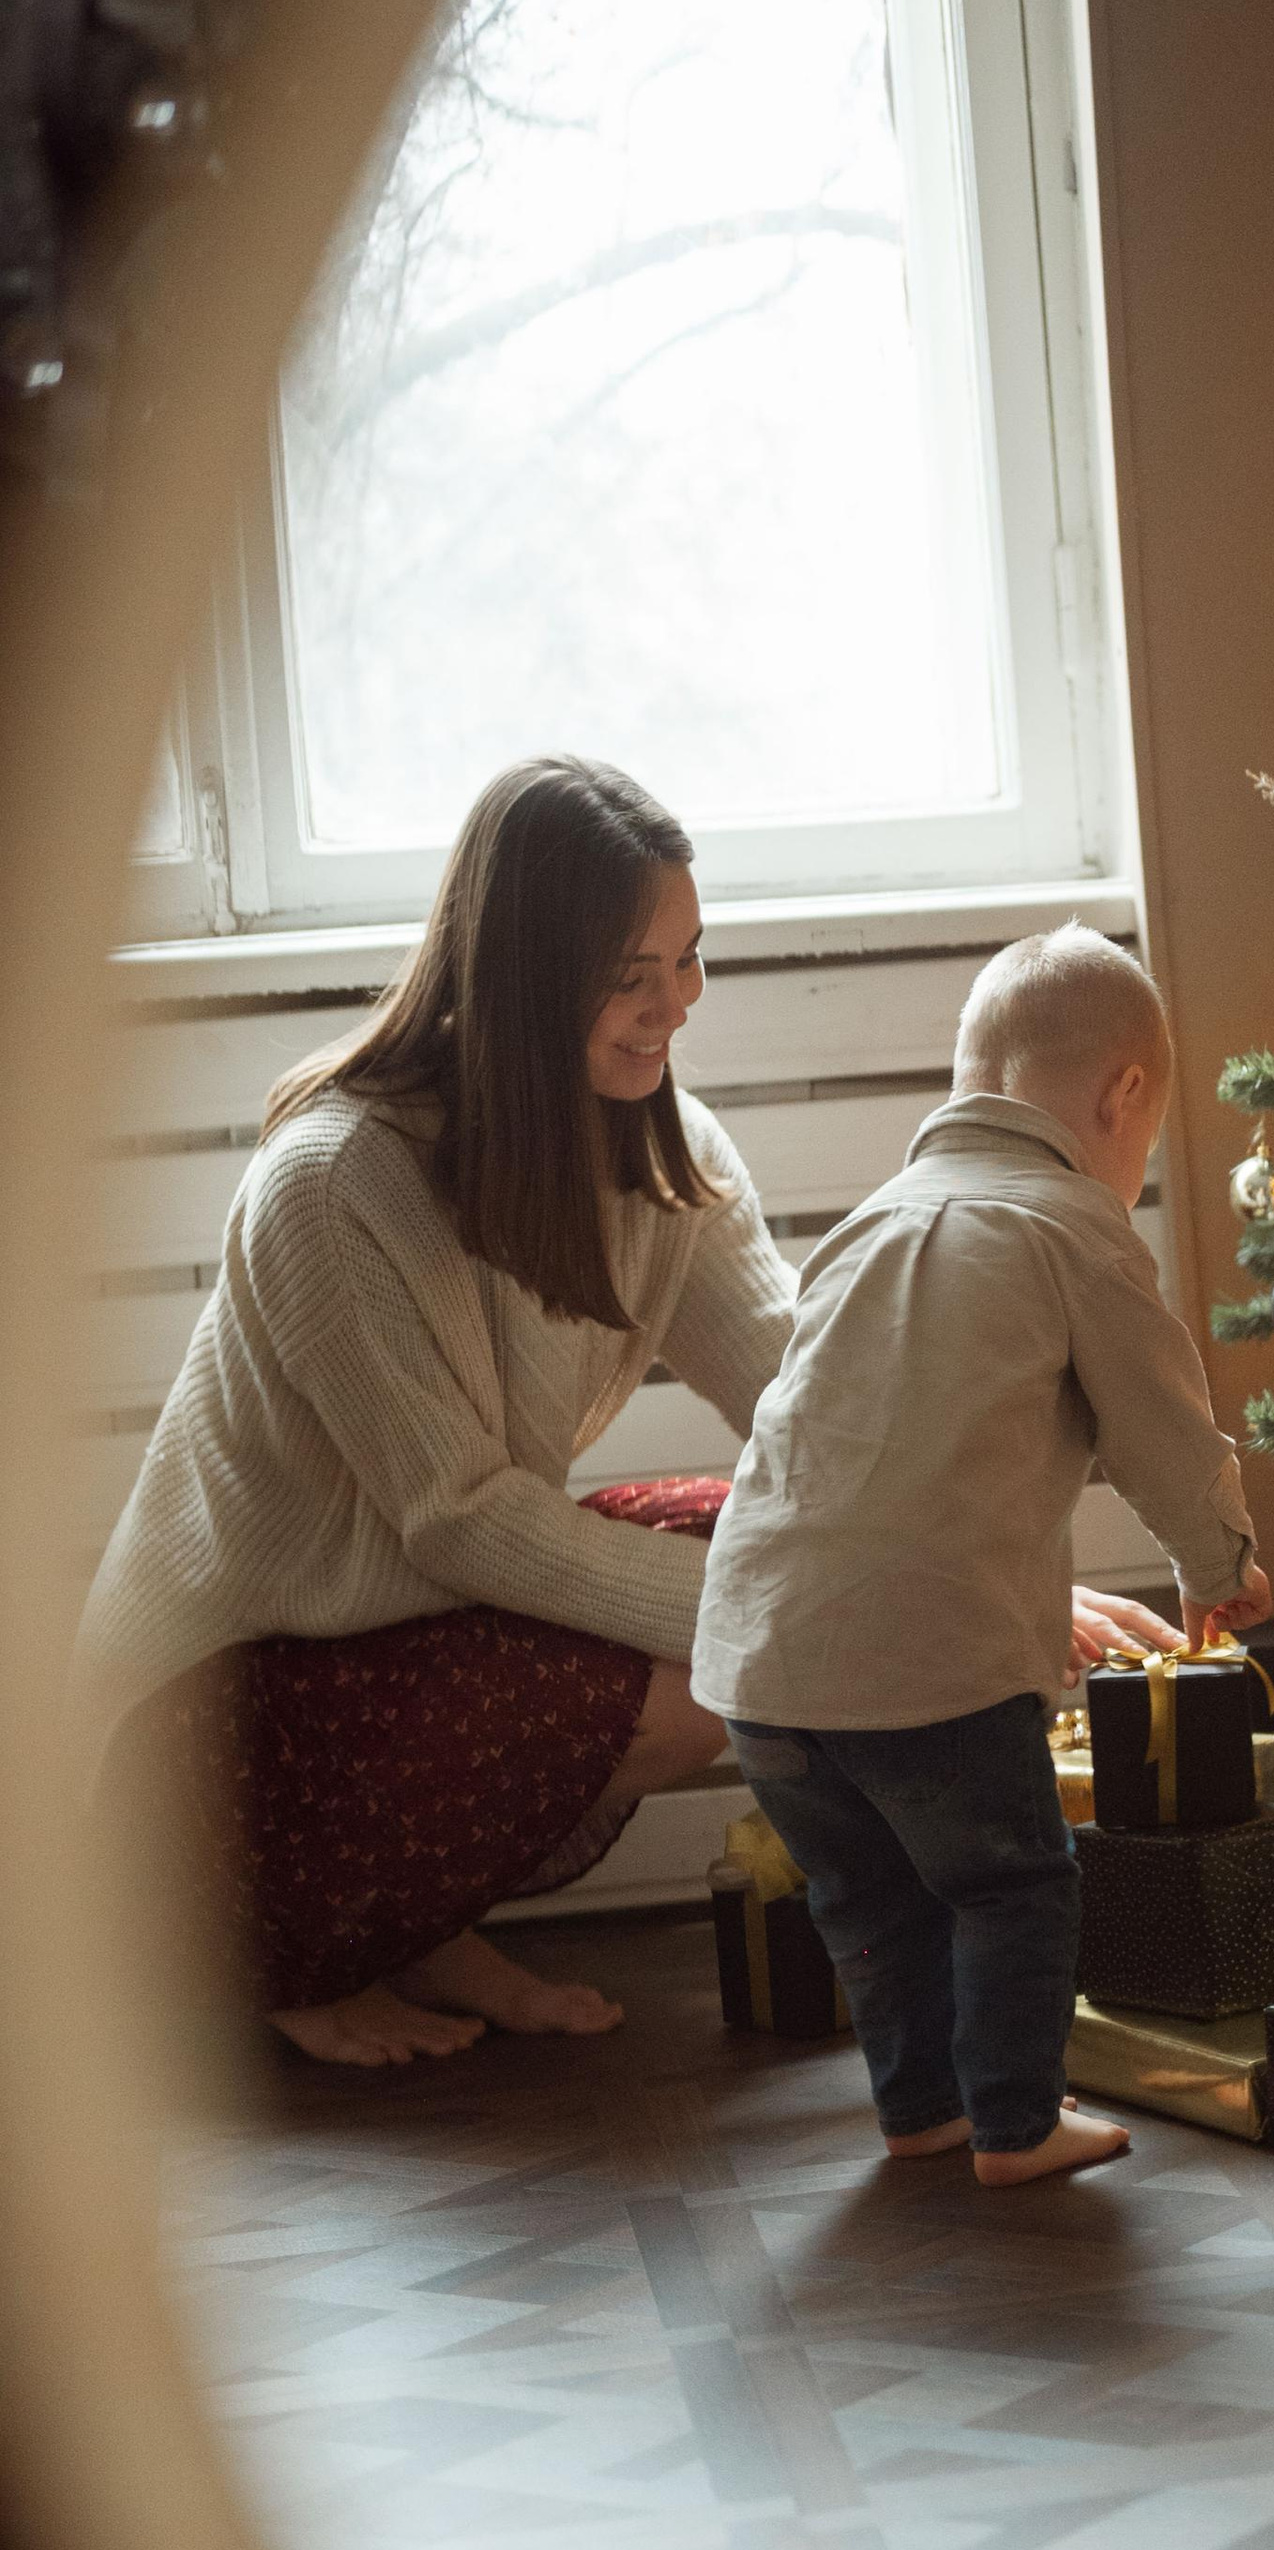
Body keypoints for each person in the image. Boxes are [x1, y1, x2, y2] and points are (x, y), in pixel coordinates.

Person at [77, 753, 1190, 2074]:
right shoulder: (332, 1181)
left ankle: (414, 1929)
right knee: (759, 1650)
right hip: (216, 1720)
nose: (675, 1006)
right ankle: (280, 1946)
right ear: (522, 972)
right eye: (630, 972)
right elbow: (462, 1523)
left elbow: (813, 1401)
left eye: (689, 958)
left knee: (793, 1576)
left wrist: (975, 1571)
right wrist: (871, 1608)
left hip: (415, 1636)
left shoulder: (668, 1149)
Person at [694, 923, 1271, 2188]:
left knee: (872, 1902)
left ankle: (921, 2112)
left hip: (758, 1663)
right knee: (1012, 1883)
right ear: (1123, 1096)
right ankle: (1015, 2121)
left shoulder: (862, 1227)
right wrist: (1216, 1559)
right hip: (927, 1660)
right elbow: (1164, 1431)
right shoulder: (1074, 1225)